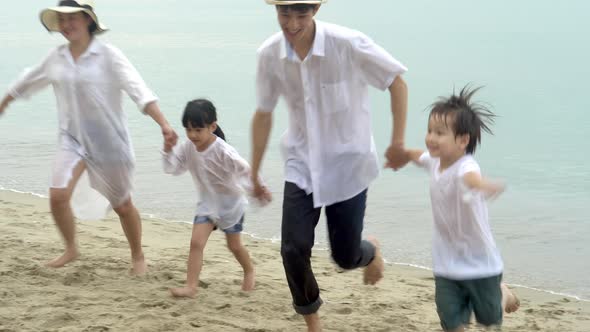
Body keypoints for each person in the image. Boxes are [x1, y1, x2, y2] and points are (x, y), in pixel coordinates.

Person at [250, 1, 409, 330]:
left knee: (345, 257)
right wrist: (253, 170)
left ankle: (371, 251)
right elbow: (264, 113)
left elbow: (396, 81)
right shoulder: (269, 54)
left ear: (316, 9)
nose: (292, 23)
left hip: (348, 166)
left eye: (301, 13)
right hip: (302, 164)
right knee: (293, 248)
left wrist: (397, 143)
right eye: (284, 13)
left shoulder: (349, 44)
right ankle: (313, 323)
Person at [0, 0, 178, 275]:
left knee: (122, 204)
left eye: (72, 18)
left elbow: (138, 89)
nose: (66, 24)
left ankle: (138, 255)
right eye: (61, 20)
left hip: (109, 143)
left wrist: (164, 124)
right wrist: (5, 102)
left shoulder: (109, 56)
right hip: (71, 139)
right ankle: (71, 248)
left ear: (88, 21)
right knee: (58, 195)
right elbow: (28, 80)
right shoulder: (56, 57)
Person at [400, 86, 520, 332]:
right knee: (451, 321)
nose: (431, 137)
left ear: (463, 140)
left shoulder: (466, 166)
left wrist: (485, 185)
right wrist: (400, 154)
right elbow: (417, 155)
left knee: (489, 321)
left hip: (481, 264)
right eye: (430, 131)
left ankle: (502, 293)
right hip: (446, 263)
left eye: (440, 133)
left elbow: (472, 179)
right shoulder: (433, 161)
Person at [162, 99, 271, 298]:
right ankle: (191, 286)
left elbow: (245, 171)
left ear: (212, 126)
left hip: (231, 205)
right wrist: (168, 148)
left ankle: (249, 270)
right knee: (196, 243)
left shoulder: (224, 151)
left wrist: (259, 187)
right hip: (207, 205)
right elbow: (173, 168)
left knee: (234, 246)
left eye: (198, 130)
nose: (193, 135)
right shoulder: (188, 147)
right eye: (188, 129)